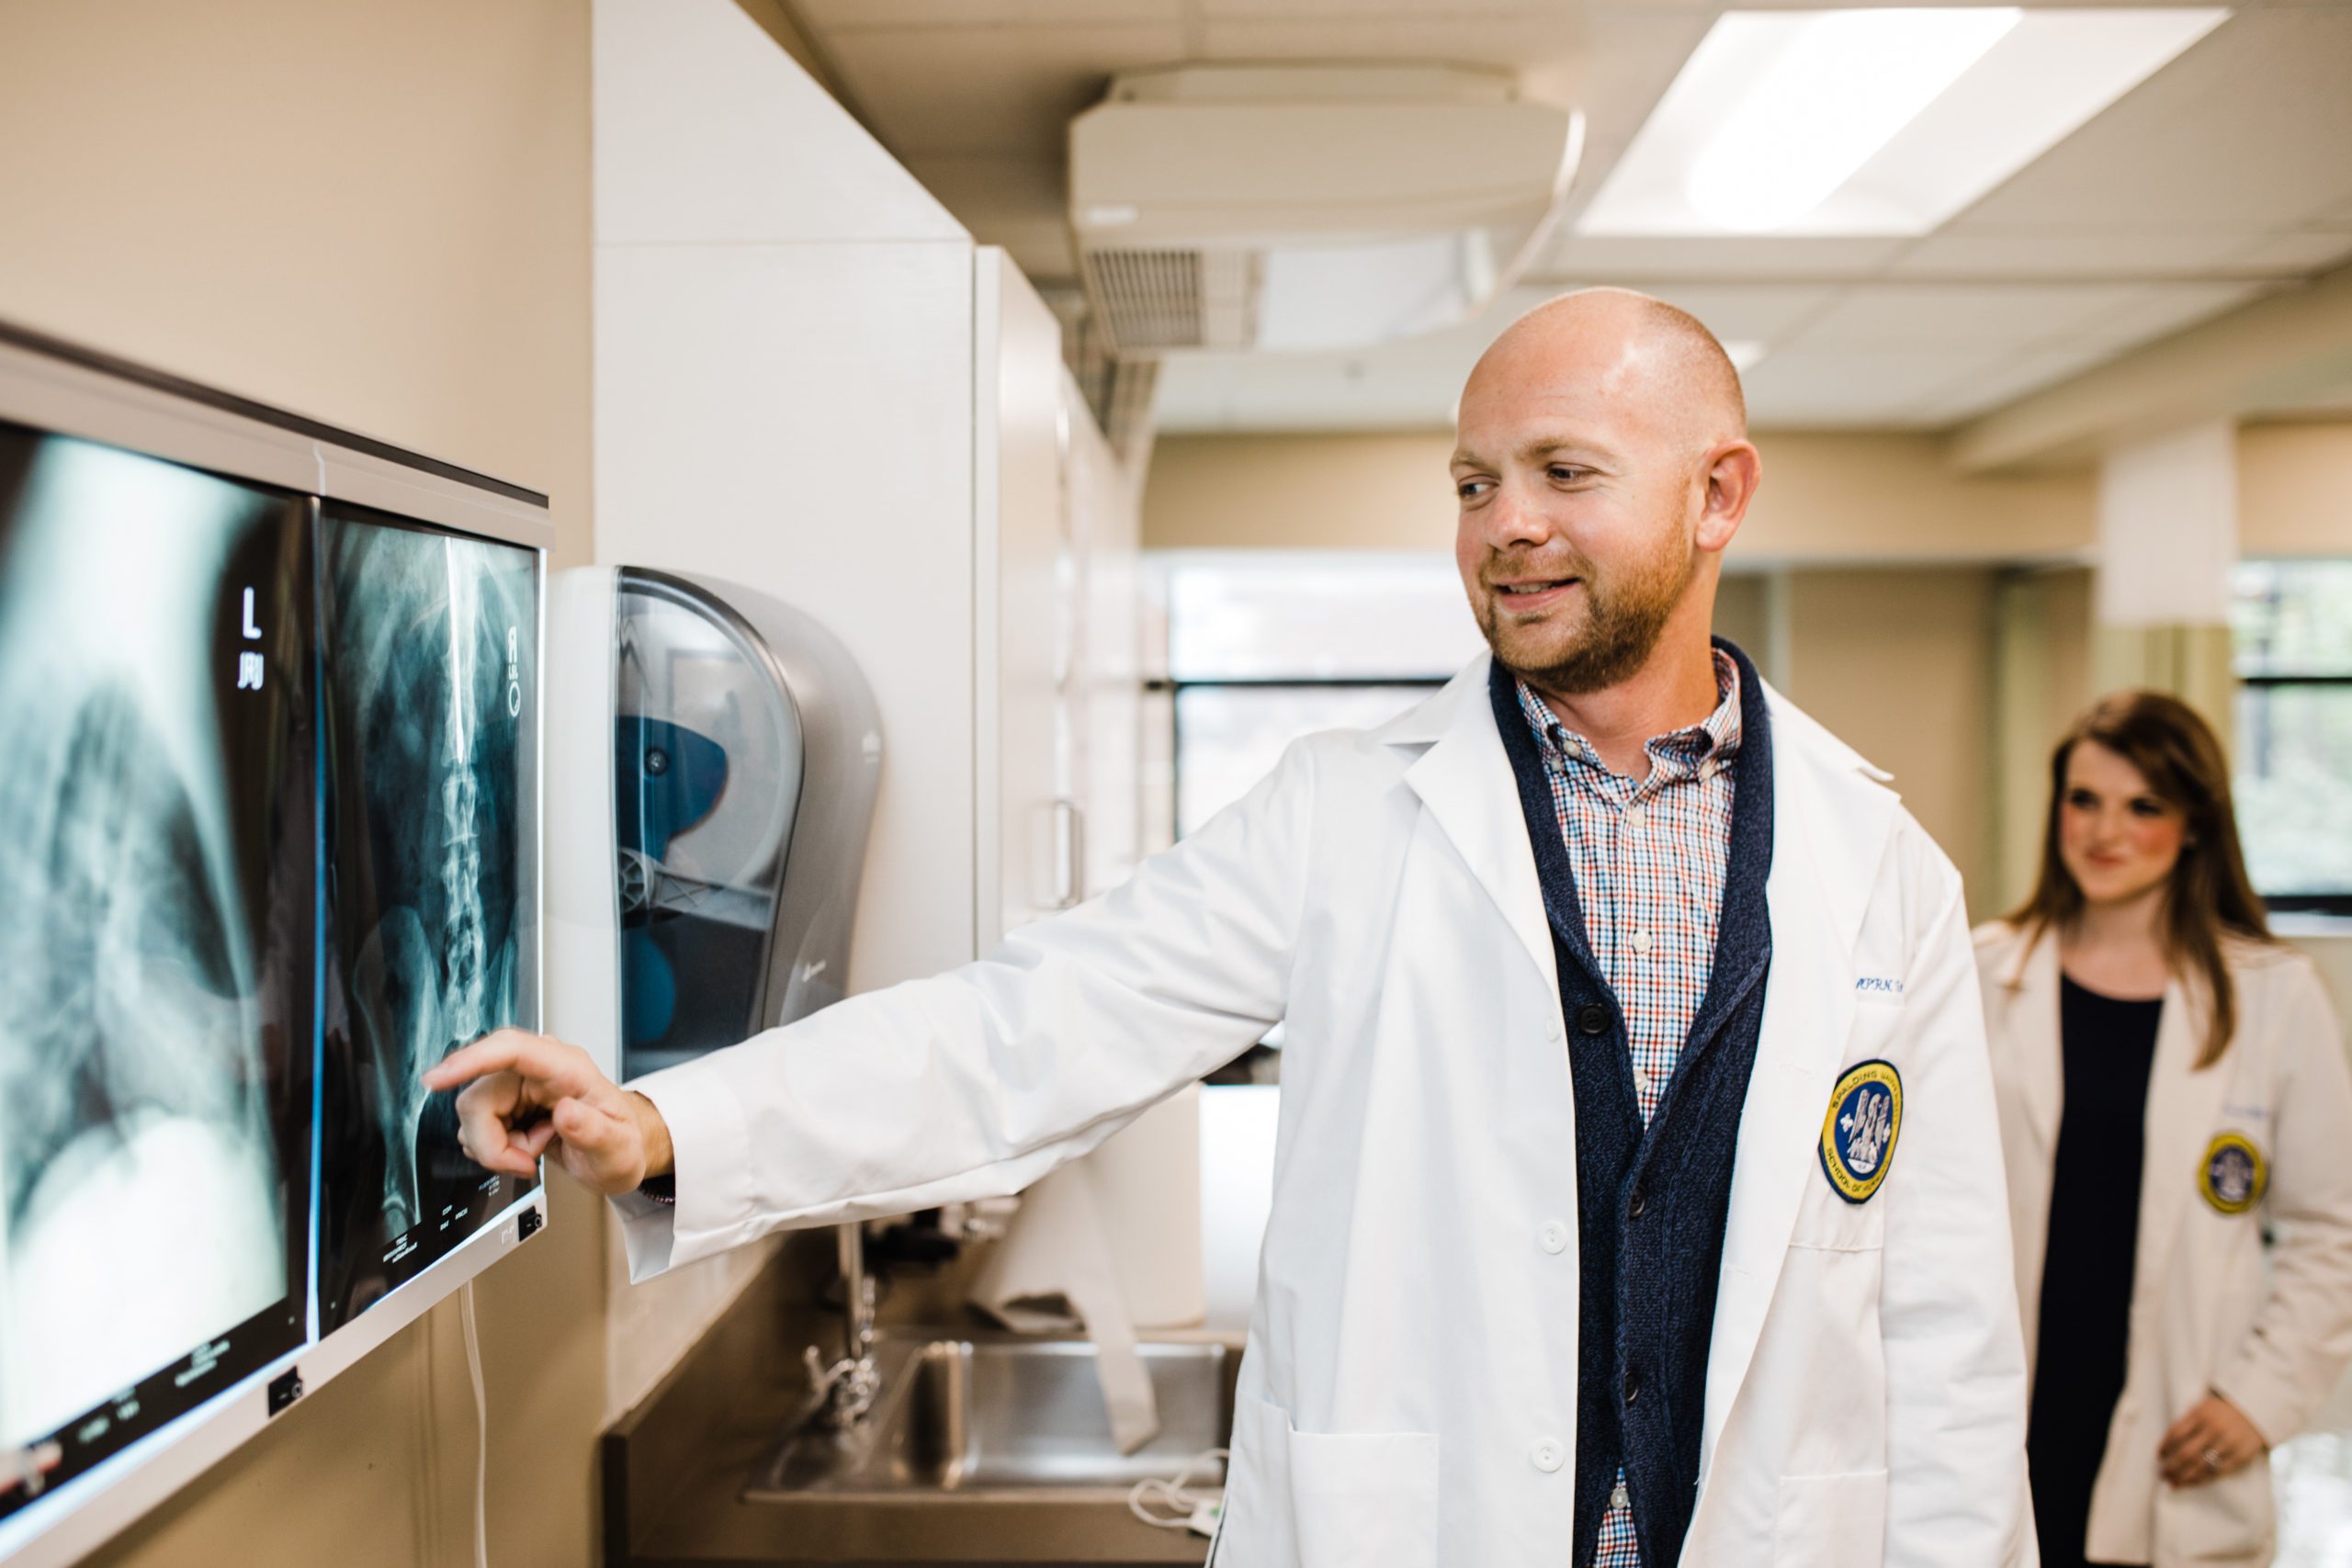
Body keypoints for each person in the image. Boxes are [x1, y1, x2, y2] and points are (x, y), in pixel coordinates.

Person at [427, 289, 2034, 1567]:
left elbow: (1945, 1333)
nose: (1503, 527)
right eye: (1473, 483)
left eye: (1565, 472)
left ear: (1718, 494)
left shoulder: (1873, 864)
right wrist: (667, 1118)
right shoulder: (1344, 811)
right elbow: (1027, 1031)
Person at [1977, 692, 2352, 1568]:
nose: (2105, 830)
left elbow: (2332, 1230)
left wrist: (2257, 1398)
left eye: (2143, 806)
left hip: (2178, 1420)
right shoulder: (1980, 971)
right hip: (2011, 1411)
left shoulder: (2272, 997)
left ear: (2193, 825)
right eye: (2084, 799)